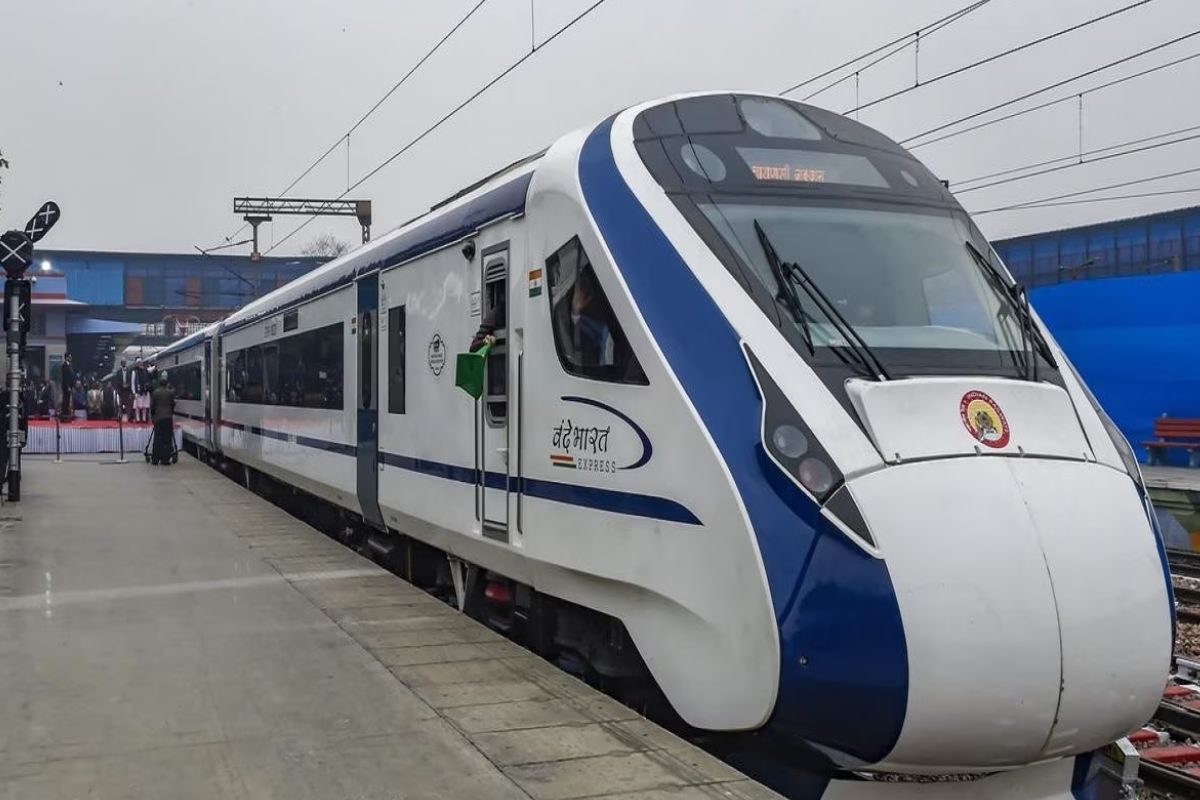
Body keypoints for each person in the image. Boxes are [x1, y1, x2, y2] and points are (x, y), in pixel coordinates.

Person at [149, 370, 175, 465]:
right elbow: (173, 404)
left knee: (157, 438)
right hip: (168, 418)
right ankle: (166, 459)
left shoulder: (156, 393)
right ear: (166, 384)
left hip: (158, 418)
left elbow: (153, 406)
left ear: (159, 384)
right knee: (167, 439)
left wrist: (153, 416)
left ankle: (155, 459)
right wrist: (171, 412)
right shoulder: (170, 393)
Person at [59, 353, 75, 422]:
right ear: (66, 357)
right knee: (65, 401)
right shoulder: (64, 366)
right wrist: (68, 386)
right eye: (69, 357)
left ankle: (67, 415)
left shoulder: (70, 365)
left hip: (70, 386)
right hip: (66, 386)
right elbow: (65, 377)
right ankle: (64, 415)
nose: (70, 358)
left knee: (68, 401)